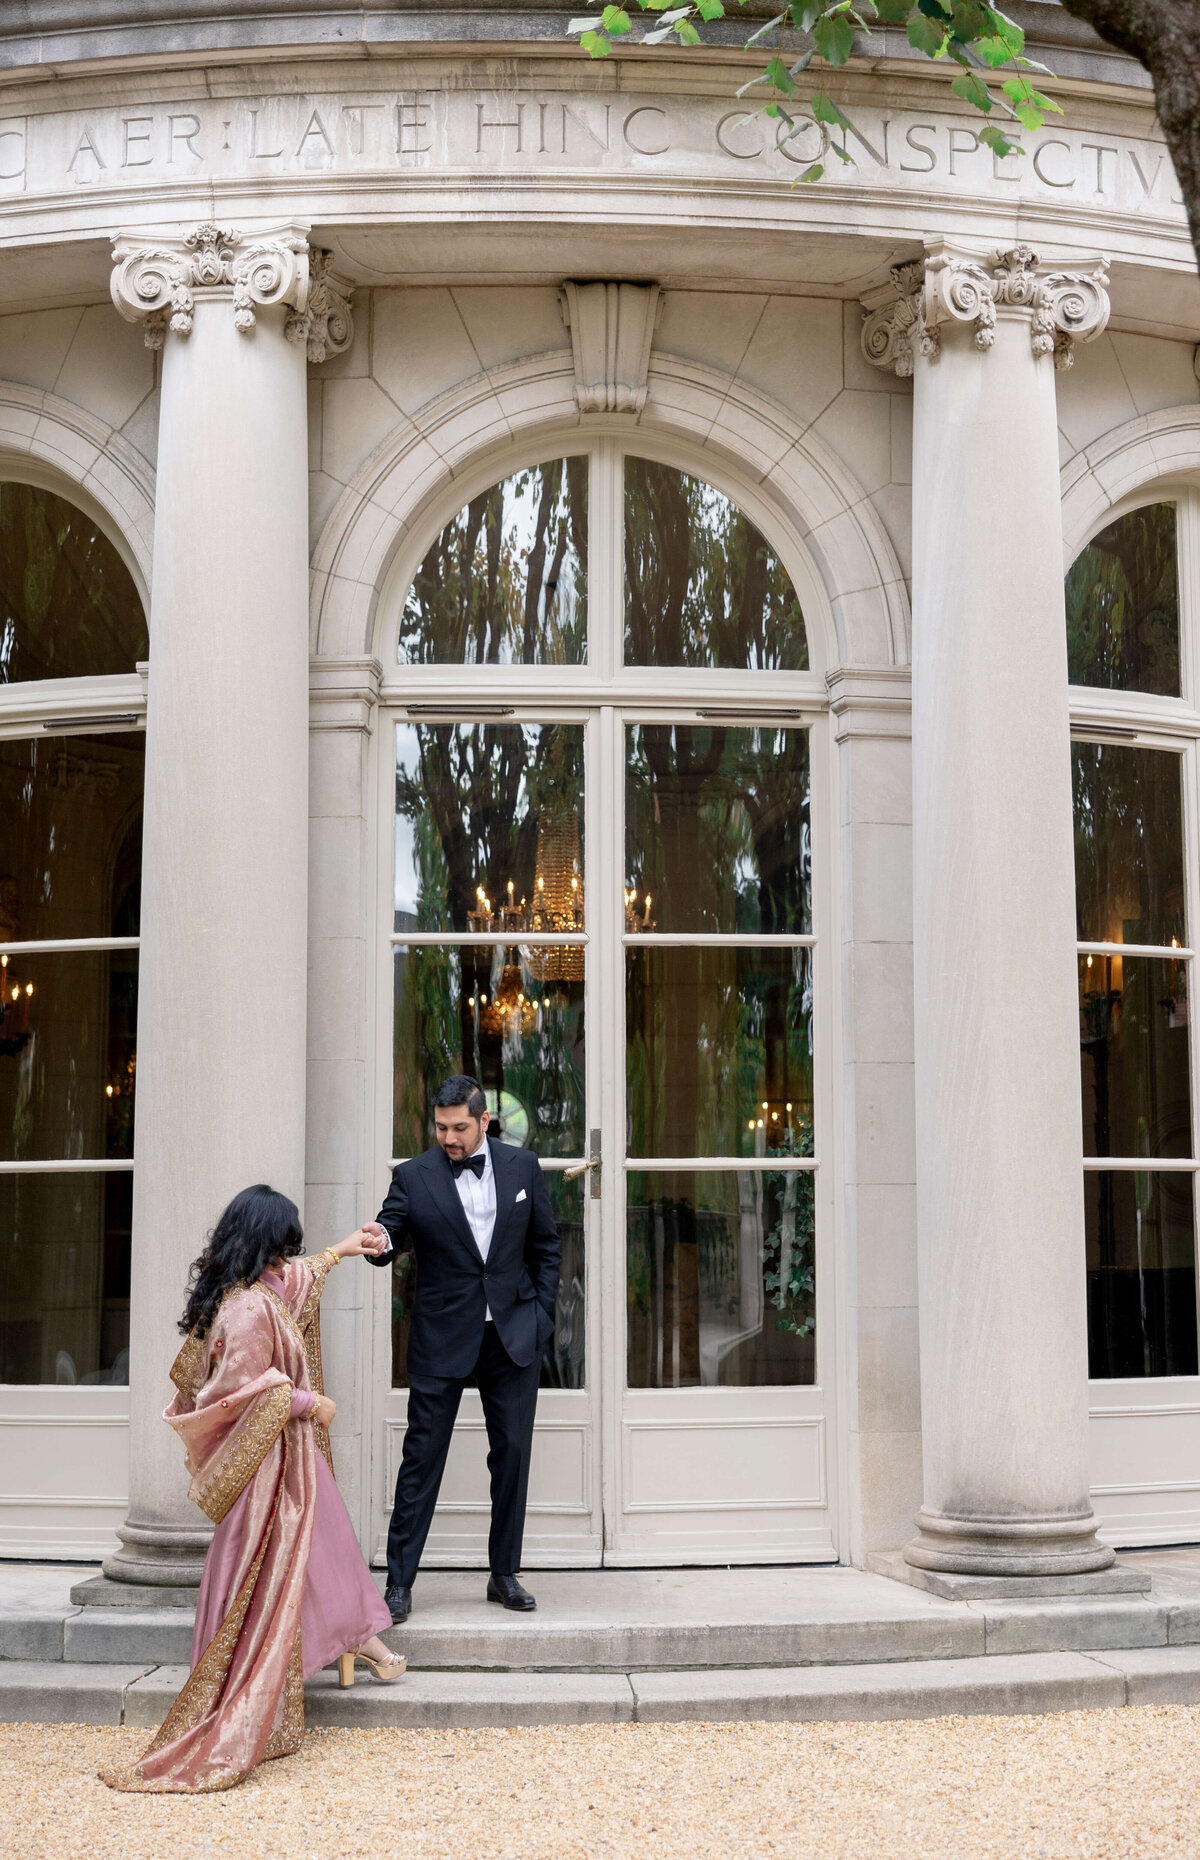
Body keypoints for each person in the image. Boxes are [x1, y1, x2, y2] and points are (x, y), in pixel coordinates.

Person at [101, 1184, 403, 1795]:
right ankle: (274, 1679)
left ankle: (359, 1640)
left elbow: (298, 1279)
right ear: (265, 1241)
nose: (288, 1256)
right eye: (283, 1243)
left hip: (284, 1459)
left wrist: (341, 1250)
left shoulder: (258, 1289)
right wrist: (310, 1401)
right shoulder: (246, 1308)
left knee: (317, 1549)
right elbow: (239, 1390)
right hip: (268, 1463)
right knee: (279, 1561)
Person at [366, 1074, 561, 1623]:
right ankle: (399, 1583)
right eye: (440, 1126)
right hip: (443, 1335)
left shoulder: (523, 1167)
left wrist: (540, 1316)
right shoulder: (413, 1176)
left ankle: (504, 1574)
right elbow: (390, 1231)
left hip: (512, 1334)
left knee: (512, 1456)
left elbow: (546, 1245)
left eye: (458, 1127)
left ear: (483, 1122)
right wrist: (378, 1241)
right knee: (421, 1458)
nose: (448, 1137)